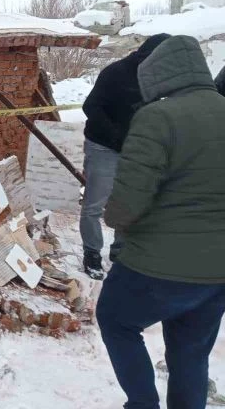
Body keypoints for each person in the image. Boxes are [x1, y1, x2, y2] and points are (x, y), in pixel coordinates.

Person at [97, 35, 225, 409]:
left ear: (156, 75)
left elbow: (126, 205)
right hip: (217, 273)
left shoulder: (157, 117)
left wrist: (113, 216)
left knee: (116, 320)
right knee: (191, 352)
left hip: (156, 265)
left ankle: (142, 404)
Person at [79, 33, 170, 279]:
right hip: (103, 146)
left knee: (126, 202)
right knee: (94, 205)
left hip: (134, 150)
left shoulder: (157, 79)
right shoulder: (115, 73)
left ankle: (120, 252)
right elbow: (91, 107)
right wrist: (115, 136)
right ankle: (92, 254)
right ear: (147, 55)